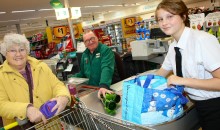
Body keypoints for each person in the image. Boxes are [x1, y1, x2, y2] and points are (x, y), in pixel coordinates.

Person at [155, 0, 220, 130]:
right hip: (197, 105)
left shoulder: (202, 41)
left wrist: (182, 81)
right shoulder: (174, 46)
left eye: (170, 16)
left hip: (215, 106)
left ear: (183, 16)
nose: (164, 23)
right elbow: (161, 73)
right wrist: (141, 86)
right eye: (160, 19)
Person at [0, 33, 71, 128]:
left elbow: (57, 85)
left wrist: (63, 96)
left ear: (27, 51)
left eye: (22, 49)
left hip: (51, 125)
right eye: (12, 50)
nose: (18, 54)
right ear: (5, 53)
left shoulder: (41, 66)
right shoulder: (1, 75)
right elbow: (2, 104)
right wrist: (26, 109)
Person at [72, 30, 119, 97]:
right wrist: (71, 79)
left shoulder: (105, 50)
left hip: (108, 88)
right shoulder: (84, 55)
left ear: (97, 38)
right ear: (84, 44)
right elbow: (82, 73)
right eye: (87, 41)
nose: (90, 42)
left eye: (92, 38)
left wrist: (104, 85)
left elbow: (106, 68)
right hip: (92, 90)